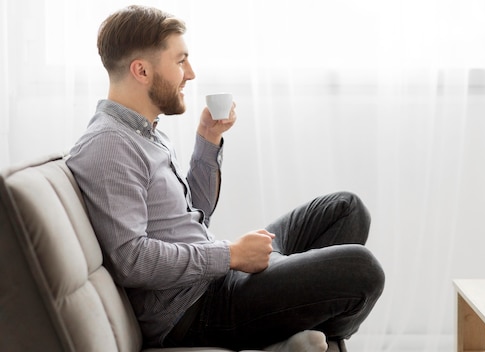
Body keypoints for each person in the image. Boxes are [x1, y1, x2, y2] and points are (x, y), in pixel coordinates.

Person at [66, 5, 384, 351]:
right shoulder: (110, 146)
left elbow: (196, 213)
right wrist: (230, 256)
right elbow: (132, 260)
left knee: (345, 209)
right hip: (196, 309)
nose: (190, 73)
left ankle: (289, 331)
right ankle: (288, 339)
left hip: (214, 274)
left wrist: (207, 140)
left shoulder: (145, 133)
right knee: (362, 270)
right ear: (141, 70)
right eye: (180, 61)